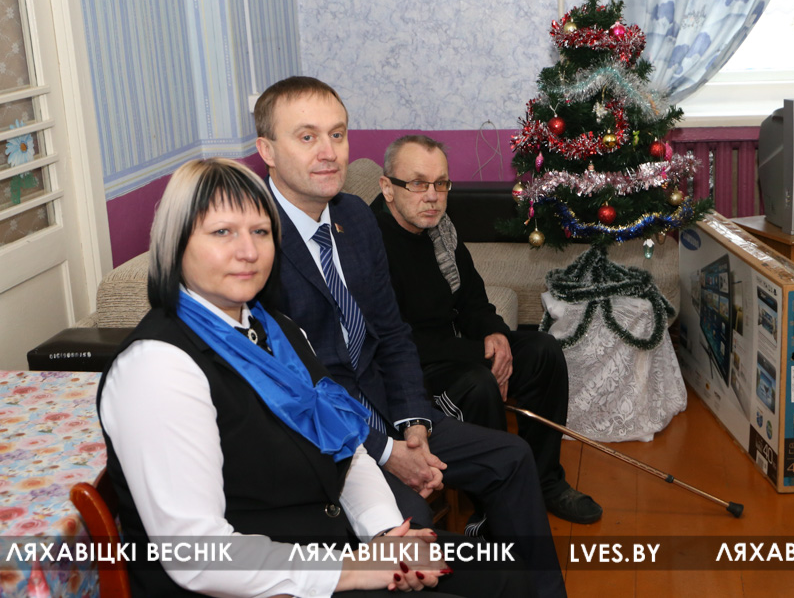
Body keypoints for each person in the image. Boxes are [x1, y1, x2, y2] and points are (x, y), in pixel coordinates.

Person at [98, 158, 532, 597]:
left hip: (327, 546)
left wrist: (384, 533)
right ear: (176, 244)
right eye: (222, 232)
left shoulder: (278, 330)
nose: (248, 251)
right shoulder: (159, 368)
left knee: (507, 575)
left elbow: (348, 447)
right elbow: (199, 557)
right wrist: (355, 569)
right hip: (258, 582)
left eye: (260, 232)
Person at [254, 77, 566, 598]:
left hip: (389, 410)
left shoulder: (352, 217)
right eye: (307, 137)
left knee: (511, 459)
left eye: (337, 134)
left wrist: (414, 423)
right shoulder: (253, 236)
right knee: (417, 529)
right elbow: (292, 383)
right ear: (267, 150)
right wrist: (385, 450)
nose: (328, 152)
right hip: (328, 443)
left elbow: (393, 335)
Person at [372, 134, 603, 525]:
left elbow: (472, 299)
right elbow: (396, 341)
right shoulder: (371, 244)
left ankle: (545, 481)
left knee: (543, 351)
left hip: (453, 346)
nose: (433, 196)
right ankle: (491, 514)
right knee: (478, 384)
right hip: (412, 370)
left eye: (441, 183)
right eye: (418, 183)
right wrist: (478, 351)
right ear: (387, 188)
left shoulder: (440, 228)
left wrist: (494, 334)